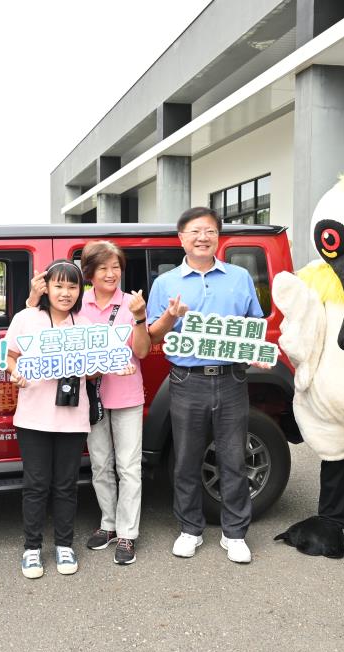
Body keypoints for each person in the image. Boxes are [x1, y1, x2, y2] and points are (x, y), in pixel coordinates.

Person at [145, 207, 267, 564]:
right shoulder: (166, 283)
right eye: (195, 231)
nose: (203, 237)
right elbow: (153, 334)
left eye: (210, 231)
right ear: (181, 237)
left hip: (231, 378)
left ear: (218, 237)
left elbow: (253, 324)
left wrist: (257, 351)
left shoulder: (240, 277)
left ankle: (235, 534)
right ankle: (190, 530)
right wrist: (171, 315)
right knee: (186, 459)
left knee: (233, 457)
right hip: (187, 381)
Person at [7, 260, 97, 579]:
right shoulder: (27, 318)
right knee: (35, 485)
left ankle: (64, 545)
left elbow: (95, 369)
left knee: (65, 486)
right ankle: (32, 549)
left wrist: (102, 365)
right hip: (32, 417)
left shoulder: (85, 326)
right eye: (59, 285)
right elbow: (10, 356)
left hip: (73, 419)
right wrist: (15, 373)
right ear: (46, 287)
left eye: (73, 286)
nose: (66, 292)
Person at [76, 241, 151, 565]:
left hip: (127, 397)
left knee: (129, 467)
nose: (111, 273)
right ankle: (108, 523)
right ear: (90, 272)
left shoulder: (131, 303)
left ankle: (127, 533)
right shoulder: (78, 306)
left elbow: (144, 351)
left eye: (116, 267)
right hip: (91, 398)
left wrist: (139, 318)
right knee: (101, 465)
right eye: (103, 267)